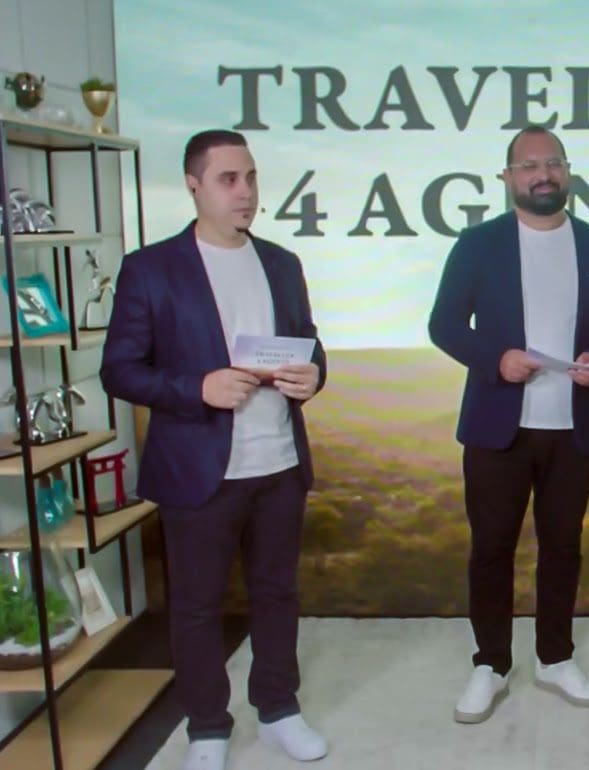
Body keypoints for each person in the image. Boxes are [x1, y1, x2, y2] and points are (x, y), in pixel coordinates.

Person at [101, 129, 328, 770]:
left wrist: (314, 374)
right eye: (229, 179)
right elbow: (120, 370)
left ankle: (279, 710)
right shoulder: (151, 268)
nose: (246, 192)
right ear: (194, 185)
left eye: (251, 177)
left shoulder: (282, 263)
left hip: (280, 465)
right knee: (197, 607)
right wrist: (197, 388)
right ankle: (206, 727)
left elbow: (309, 342)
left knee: (277, 594)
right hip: (198, 470)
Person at [428, 125, 589, 724]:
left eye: (552, 163)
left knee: (563, 548)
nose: (542, 174)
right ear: (508, 178)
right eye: (528, 166)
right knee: (491, 549)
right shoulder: (477, 245)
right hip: (496, 425)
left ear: (567, 172)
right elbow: (445, 324)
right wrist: (495, 359)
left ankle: (555, 657)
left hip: (573, 426)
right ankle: (491, 664)